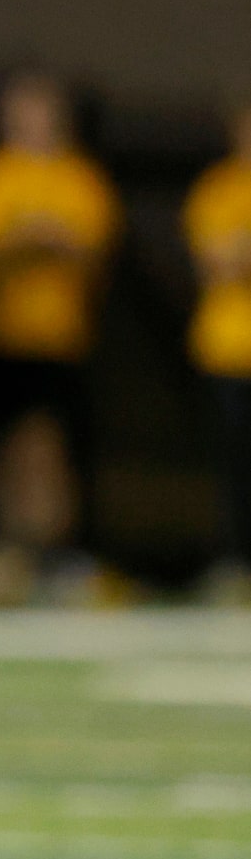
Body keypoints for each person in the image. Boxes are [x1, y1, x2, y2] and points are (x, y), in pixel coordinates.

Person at [0, 71, 120, 587]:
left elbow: (93, 247)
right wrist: (29, 239)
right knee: (3, 451)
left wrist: (36, 240)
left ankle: (63, 552)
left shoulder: (80, 177)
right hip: (2, 336)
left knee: (60, 450)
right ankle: (8, 550)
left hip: (63, 340)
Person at [184, 101, 251, 598]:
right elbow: (216, 258)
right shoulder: (217, 188)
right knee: (234, 467)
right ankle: (236, 565)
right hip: (230, 348)